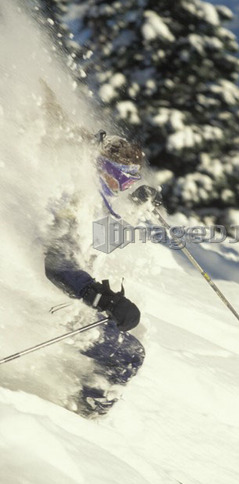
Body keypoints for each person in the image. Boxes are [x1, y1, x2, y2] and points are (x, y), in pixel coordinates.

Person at [44, 129, 162, 415]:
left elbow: (103, 239)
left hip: (65, 301)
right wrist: (101, 298)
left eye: (133, 179)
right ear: (105, 169)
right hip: (53, 307)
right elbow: (58, 263)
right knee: (128, 357)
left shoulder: (93, 195)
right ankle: (85, 414)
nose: (126, 186)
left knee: (137, 332)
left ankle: (67, 393)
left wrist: (137, 205)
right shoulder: (77, 199)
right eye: (124, 178)